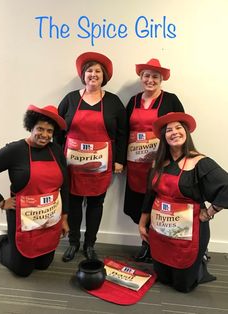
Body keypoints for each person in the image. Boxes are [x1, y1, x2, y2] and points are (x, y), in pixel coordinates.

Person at [139, 112, 228, 292]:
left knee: (182, 285)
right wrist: (142, 223)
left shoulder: (200, 162)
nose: (174, 132)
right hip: (161, 229)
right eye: (169, 130)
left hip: (189, 233)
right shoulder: (158, 162)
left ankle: (198, 266)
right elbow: (150, 194)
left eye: (179, 128)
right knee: (163, 277)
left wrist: (209, 213)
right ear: (164, 136)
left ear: (186, 132)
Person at [55, 51, 127, 261]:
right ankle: (74, 243)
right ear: (83, 75)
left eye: (97, 71)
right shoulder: (70, 99)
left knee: (96, 204)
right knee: (74, 204)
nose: (93, 75)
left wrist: (120, 160)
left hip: (101, 165)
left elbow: (123, 133)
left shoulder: (113, 102)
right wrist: (57, 158)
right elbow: (58, 130)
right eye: (89, 71)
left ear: (103, 76)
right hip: (72, 165)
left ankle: (90, 245)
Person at [0, 105, 70, 277]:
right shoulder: (15, 150)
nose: (45, 135)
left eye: (49, 131)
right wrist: (0, 202)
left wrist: (64, 217)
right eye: (40, 129)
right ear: (31, 127)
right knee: (22, 270)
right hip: (22, 217)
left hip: (49, 216)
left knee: (43, 265)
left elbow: (65, 185)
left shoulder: (56, 150)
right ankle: (3, 241)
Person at [123, 58, 184, 262]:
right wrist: (120, 160)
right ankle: (147, 242)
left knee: (157, 202)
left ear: (161, 79)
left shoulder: (171, 100)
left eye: (155, 76)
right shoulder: (133, 101)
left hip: (161, 163)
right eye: (146, 75)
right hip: (136, 164)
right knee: (138, 204)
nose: (150, 80)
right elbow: (124, 131)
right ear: (141, 78)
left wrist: (177, 158)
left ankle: (151, 247)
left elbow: (180, 130)